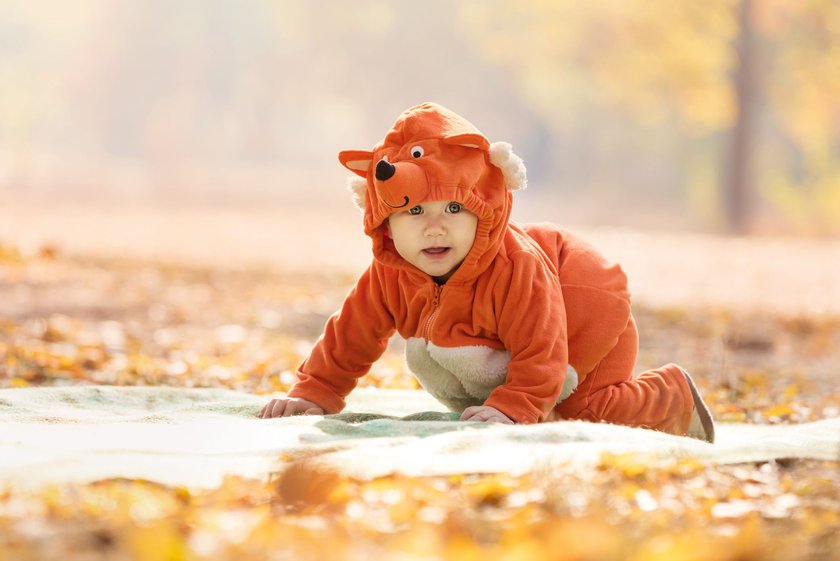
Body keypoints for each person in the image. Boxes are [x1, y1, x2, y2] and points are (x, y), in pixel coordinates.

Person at [259, 102, 715, 443]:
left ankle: (671, 395)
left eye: (455, 207)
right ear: (385, 221)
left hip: (581, 307)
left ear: (484, 211)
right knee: (521, 407)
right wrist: (315, 391)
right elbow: (350, 337)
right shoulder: (389, 274)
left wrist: (513, 407)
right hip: (520, 340)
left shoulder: (515, 268)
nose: (435, 226)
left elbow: (543, 345)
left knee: (578, 410)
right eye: (414, 210)